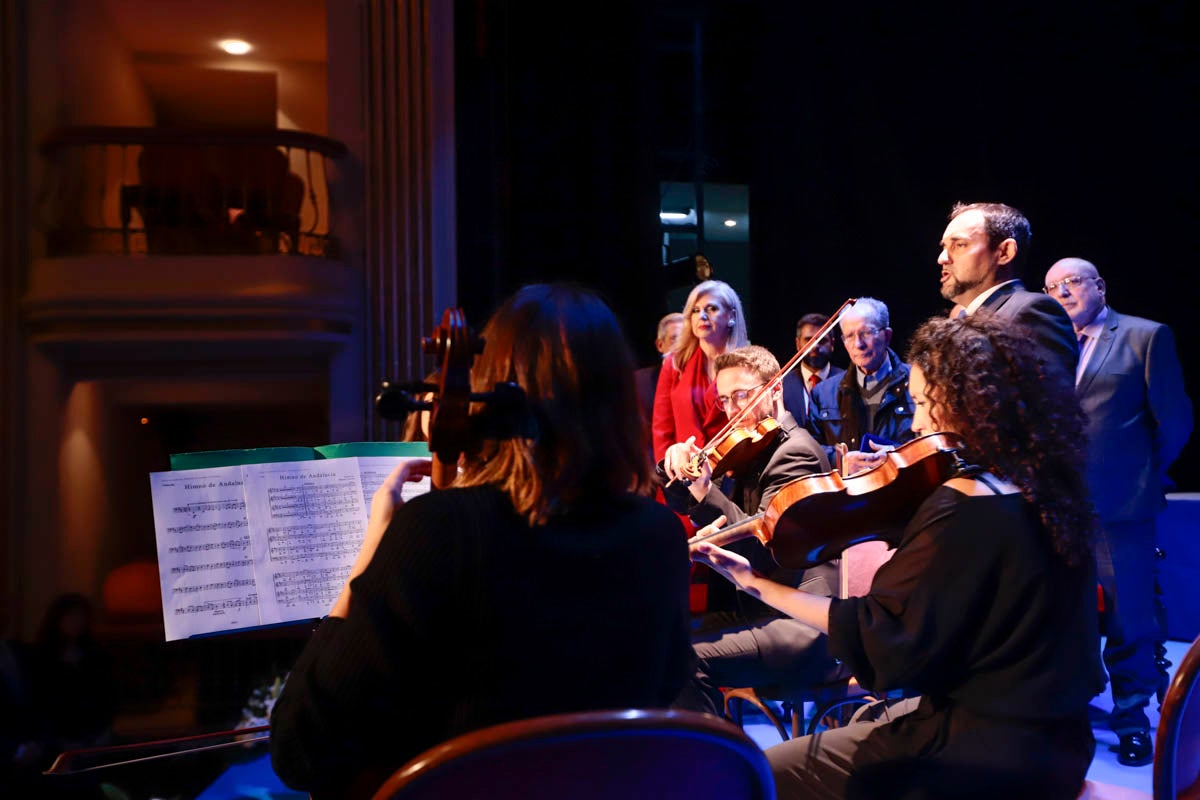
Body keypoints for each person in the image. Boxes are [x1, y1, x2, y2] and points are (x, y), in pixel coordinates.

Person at [270, 284, 694, 799]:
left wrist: (370, 557)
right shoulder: (658, 536)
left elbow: (301, 750)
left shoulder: (436, 530)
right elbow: (666, 688)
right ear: (618, 402)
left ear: (489, 390)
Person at [692, 314, 1106, 800]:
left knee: (759, 772)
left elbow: (880, 632)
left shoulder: (963, 503)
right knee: (874, 719)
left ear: (968, 404)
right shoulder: (1043, 490)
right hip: (1059, 739)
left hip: (985, 753)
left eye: (925, 402)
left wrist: (757, 584)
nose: (917, 421)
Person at [1044, 256, 1193, 766]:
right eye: (1051, 286)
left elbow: (1174, 422)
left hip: (1121, 508)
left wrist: (1141, 475)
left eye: (1071, 283)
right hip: (1056, 509)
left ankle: (1132, 719)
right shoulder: (1047, 348)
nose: (1061, 292)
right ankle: (1069, 713)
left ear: (1099, 286)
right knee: (1066, 613)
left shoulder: (1145, 336)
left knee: (1131, 619)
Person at [660, 345, 841, 715]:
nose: (731, 409)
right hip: (754, 607)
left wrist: (705, 492)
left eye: (742, 395)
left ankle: (718, 763)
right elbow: (686, 502)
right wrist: (673, 465)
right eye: (725, 399)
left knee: (684, 663)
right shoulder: (751, 451)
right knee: (661, 640)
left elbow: (761, 547)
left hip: (797, 622)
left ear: (775, 389)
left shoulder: (796, 454)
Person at [937, 201, 1077, 376]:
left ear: (1004, 252)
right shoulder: (961, 319)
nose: (942, 258)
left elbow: (1050, 399)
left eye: (959, 245)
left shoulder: (1032, 311)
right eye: (944, 247)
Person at [807, 297, 915, 475]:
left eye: (866, 333)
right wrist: (840, 461)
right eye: (850, 336)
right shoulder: (822, 393)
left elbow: (933, 444)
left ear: (887, 336)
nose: (858, 344)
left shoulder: (918, 383)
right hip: (848, 497)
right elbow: (810, 451)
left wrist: (899, 457)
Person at [651, 280, 750, 462]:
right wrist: (667, 469)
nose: (702, 316)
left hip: (732, 470)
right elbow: (662, 428)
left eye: (711, 309)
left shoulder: (748, 364)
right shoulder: (675, 363)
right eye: (695, 310)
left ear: (731, 315)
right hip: (685, 472)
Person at [781, 312, 845, 430]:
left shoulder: (847, 382)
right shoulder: (782, 385)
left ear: (832, 343)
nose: (815, 346)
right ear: (798, 344)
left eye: (822, 340)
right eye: (808, 340)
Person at [634, 312, 685, 424]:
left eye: (686, 339)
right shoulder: (640, 382)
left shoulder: (702, 377)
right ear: (660, 345)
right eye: (675, 339)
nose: (682, 346)